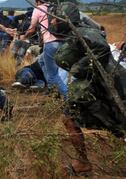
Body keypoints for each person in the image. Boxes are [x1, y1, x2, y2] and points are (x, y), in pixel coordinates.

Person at [54, 20, 126, 175]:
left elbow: (102, 48)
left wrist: (78, 67)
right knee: (69, 118)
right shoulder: (79, 36)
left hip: (114, 92)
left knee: (70, 119)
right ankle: (83, 163)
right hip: (101, 89)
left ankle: (83, 162)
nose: (51, 22)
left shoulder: (85, 34)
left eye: (54, 19)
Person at [20, 0, 68, 99]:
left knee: (53, 75)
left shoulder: (38, 9)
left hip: (51, 44)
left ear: (37, 2)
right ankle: (52, 89)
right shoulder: (56, 8)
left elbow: (32, 28)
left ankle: (69, 99)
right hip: (64, 43)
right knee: (41, 61)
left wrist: (23, 36)